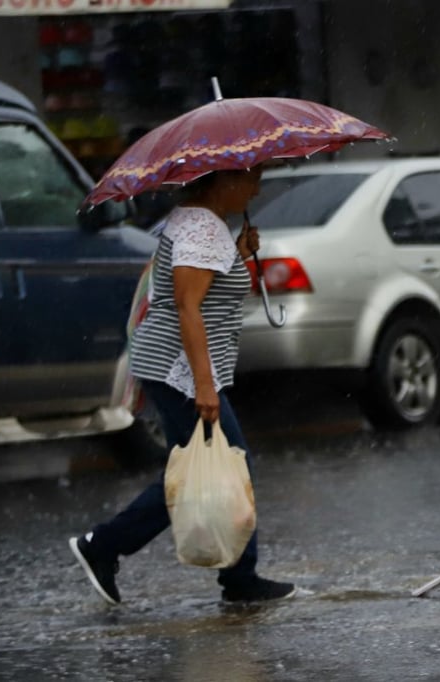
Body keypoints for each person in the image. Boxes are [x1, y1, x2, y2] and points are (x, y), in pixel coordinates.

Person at [69, 167, 296, 604]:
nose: (256, 188)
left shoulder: (202, 223)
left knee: (203, 469)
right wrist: (205, 387)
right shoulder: (201, 229)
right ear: (222, 182)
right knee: (217, 468)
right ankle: (106, 546)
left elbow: (207, 292)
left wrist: (238, 254)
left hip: (176, 366)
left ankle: (235, 578)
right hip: (180, 370)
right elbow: (188, 307)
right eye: (252, 178)